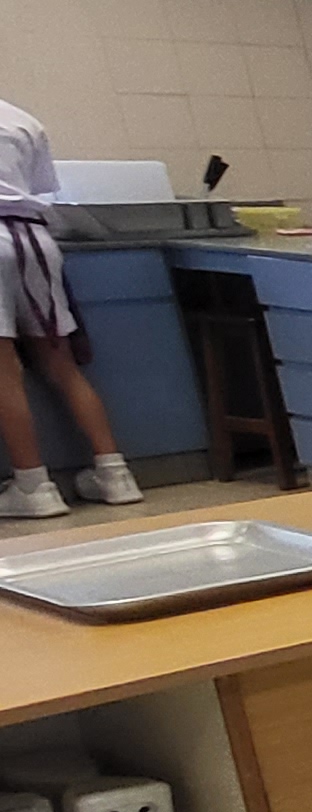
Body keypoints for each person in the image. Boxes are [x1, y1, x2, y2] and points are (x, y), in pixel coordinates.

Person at [0, 100, 141, 521]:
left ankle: (33, 486)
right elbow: (42, 186)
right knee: (61, 362)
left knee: (4, 373)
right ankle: (115, 475)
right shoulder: (20, 119)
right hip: (33, 240)